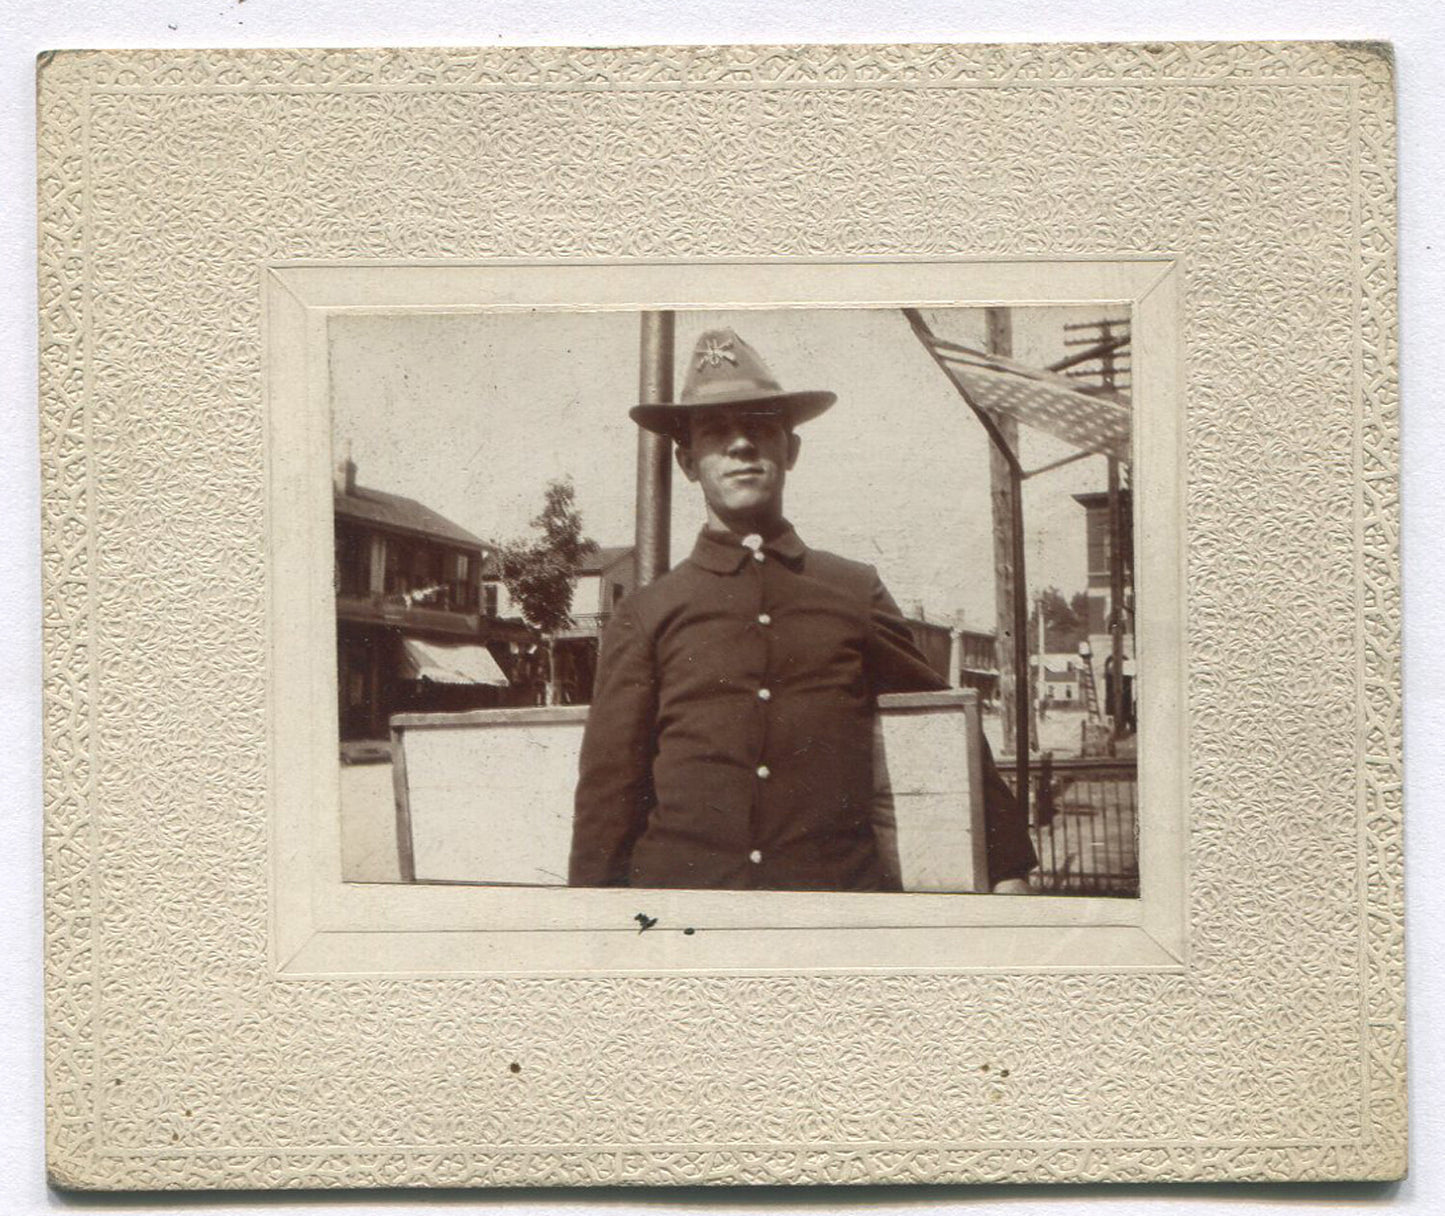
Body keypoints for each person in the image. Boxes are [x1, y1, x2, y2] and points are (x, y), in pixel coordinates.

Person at [568, 328, 1036, 893]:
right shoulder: (648, 613)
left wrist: (1007, 868)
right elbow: (608, 795)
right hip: (686, 917)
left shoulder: (852, 590)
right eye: (716, 433)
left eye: (761, 428)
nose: (741, 445)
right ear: (688, 462)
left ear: (790, 451)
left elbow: (943, 720)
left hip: (832, 912)